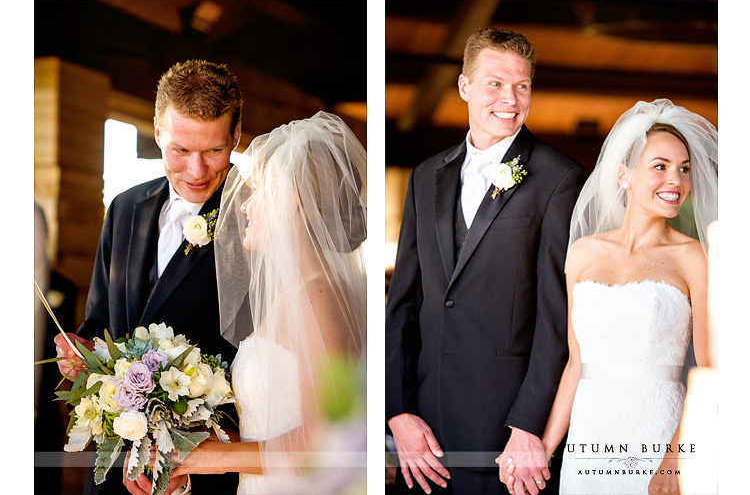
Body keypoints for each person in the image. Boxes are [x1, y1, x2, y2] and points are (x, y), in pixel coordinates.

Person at [385, 27, 588, 495]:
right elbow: (403, 303)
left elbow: (558, 316)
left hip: (506, 434)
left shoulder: (560, 180)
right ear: (464, 87)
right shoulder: (424, 177)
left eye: (522, 85)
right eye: (495, 83)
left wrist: (528, 426)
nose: (510, 99)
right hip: (423, 435)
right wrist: (397, 411)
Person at [500, 99, 717, 494]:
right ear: (623, 175)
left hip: (660, 432)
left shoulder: (693, 258)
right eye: (660, 167)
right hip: (589, 434)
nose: (677, 181)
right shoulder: (583, 252)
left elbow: (709, 370)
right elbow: (575, 363)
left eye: (684, 169)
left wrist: (675, 458)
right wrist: (545, 448)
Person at [145, 111, 366, 494]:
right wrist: (189, 450)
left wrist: (212, 459)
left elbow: (327, 442)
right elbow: (269, 432)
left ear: (291, 201)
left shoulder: (318, 300)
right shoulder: (294, 294)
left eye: (258, 191)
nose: (245, 206)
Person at [54, 59, 243, 495]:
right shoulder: (124, 207)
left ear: (235, 135)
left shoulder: (257, 219)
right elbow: (98, 324)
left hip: (200, 471)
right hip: (114, 464)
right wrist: (79, 349)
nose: (197, 172)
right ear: (157, 131)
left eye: (214, 150)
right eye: (180, 150)